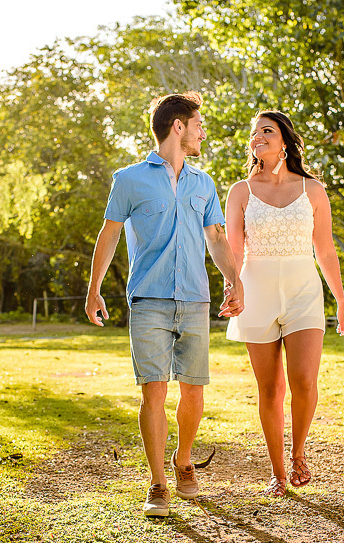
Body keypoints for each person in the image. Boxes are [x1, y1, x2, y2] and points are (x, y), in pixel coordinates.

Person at [85, 92, 244, 518]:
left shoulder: (203, 183)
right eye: (198, 124)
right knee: (153, 391)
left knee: (193, 390)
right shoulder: (129, 179)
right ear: (179, 127)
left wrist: (234, 279)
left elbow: (216, 237)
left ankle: (184, 460)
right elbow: (110, 234)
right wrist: (94, 287)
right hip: (149, 300)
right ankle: (158, 482)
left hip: (195, 298)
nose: (202, 132)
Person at [225, 110, 344, 496]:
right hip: (256, 291)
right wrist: (233, 288)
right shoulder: (240, 192)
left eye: (267, 131)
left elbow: (326, 251)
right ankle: (278, 472)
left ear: (284, 142)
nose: (258, 137)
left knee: (303, 381)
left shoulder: (312, 190)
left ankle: (299, 453)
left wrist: (341, 302)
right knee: (270, 389)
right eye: (254, 133)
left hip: (303, 291)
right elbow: (232, 250)